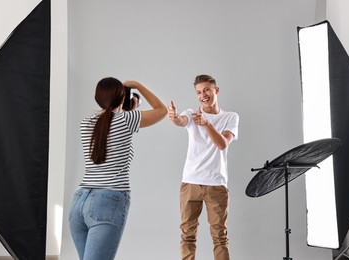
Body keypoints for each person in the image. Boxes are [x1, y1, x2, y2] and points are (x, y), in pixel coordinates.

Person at [69, 77, 167, 260]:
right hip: (108, 200)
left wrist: (126, 110)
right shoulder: (127, 120)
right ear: (122, 98)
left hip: (79, 201)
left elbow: (110, 127)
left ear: (97, 97)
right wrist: (137, 85)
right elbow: (162, 111)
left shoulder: (86, 123)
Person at [168, 75, 239, 260]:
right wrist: (174, 118)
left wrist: (207, 124)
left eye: (206, 90)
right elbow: (181, 121)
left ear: (216, 90)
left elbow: (223, 144)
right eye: (198, 92)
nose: (203, 95)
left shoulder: (230, 117)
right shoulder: (192, 113)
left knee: (220, 237)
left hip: (216, 185)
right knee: (187, 236)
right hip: (190, 183)